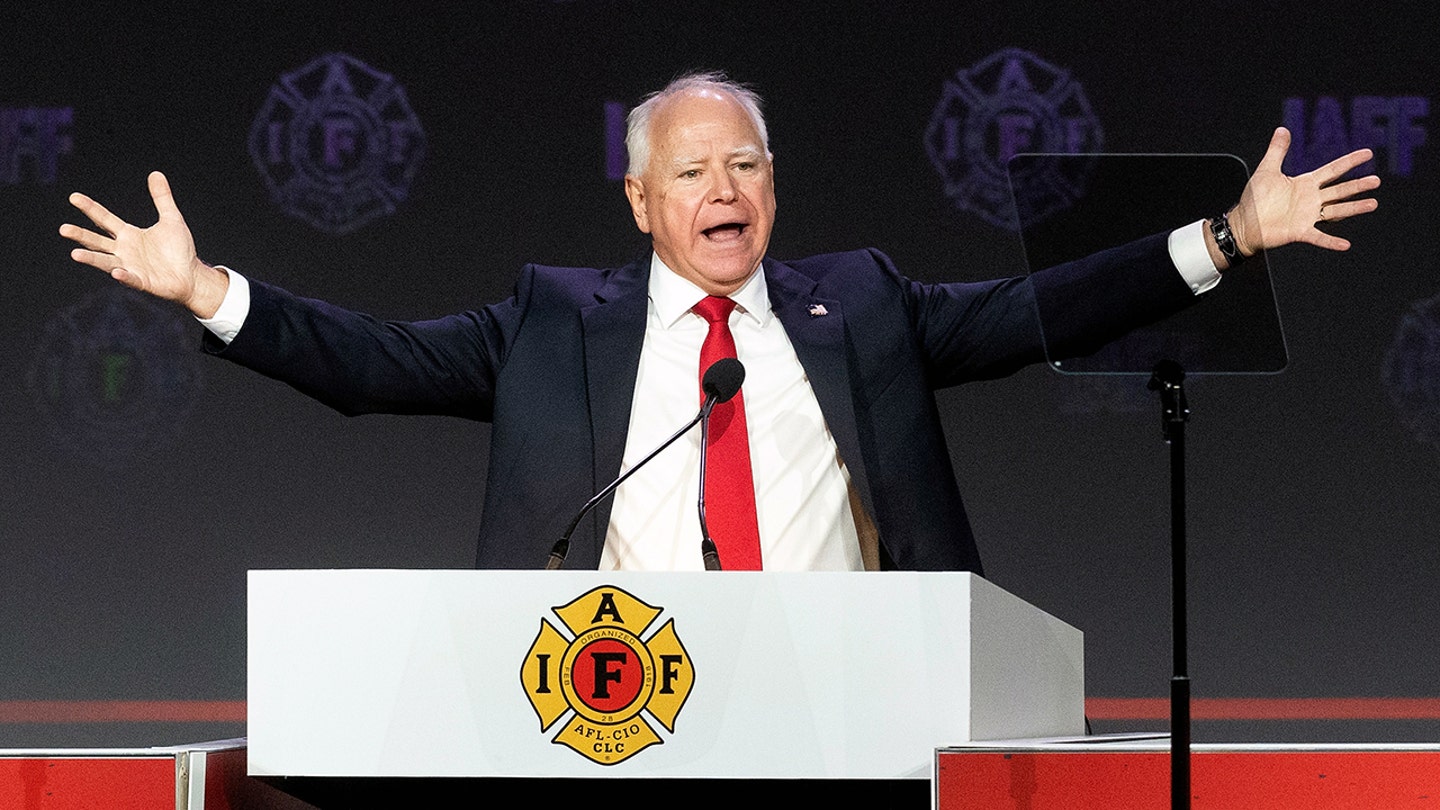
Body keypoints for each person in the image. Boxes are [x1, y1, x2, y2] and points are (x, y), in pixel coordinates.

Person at [60, 72, 1379, 572]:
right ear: (640, 199)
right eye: (691, 171)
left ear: (773, 184)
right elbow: (370, 366)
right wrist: (206, 291)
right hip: (621, 712)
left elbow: (1039, 308)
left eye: (744, 163)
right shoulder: (550, 319)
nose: (724, 190)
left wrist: (1224, 237)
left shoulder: (858, 301)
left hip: (862, 705)